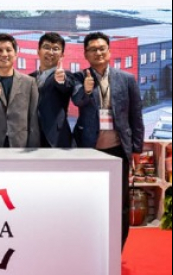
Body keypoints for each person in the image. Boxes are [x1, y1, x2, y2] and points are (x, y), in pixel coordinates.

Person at [72, 31, 144, 249]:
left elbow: (136, 115)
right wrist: (85, 91)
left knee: (119, 203)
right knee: (89, 201)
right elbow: (76, 101)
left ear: (109, 51)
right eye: (93, 49)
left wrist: (136, 149)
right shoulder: (78, 77)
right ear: (86, 54)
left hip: (118, 150)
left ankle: (116, 249)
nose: (98, 52)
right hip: (89, 149)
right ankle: (90, 248)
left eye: (102, 48)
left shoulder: (126, 79)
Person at [0, 33, 39, 148]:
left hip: (20, 143)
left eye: (8, 50)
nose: (4, 54)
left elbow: (33, 118)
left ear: (15, 54)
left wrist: (33, 147)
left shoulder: (29, 82)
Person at [29, 32, 74, 148]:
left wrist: (61, 79)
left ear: (62, 55)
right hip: (31, 138)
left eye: (56, 49)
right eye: (46, 47)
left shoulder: (66, 75)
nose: (50, 52)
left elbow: (66, 86)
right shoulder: (28, 78)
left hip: (56, 138)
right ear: (38, 51)